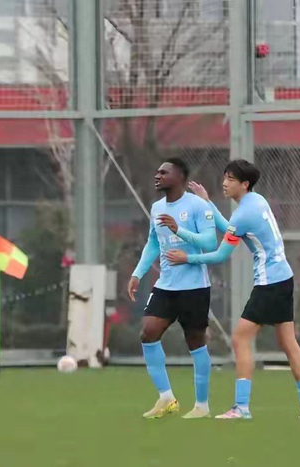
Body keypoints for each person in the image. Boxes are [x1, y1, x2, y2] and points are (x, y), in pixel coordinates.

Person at [166, 159, 300, 419]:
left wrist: (187, 258)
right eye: (225, 177)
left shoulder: (244, 213)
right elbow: (232, 229)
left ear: (245, 184)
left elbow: (220, 254)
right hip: (284, 278)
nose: (224, 183)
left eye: (231, 179)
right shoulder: (257, 201)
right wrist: (208, 203)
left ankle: (242, 408)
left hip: (270, 283)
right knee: (288, 342)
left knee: (240, 339)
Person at [128, 158, 217, 419]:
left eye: (164, 172)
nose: (157, 176)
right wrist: (137, 273)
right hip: (166, 286)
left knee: (195, 341)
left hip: (194, 287)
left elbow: (210, 243)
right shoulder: (157, 208)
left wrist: (179, 230)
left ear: (180, 177)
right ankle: (166, 398)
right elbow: (153, 243)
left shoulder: (198, 206)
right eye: (157, 172)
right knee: (148, 333)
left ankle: (202, 406)